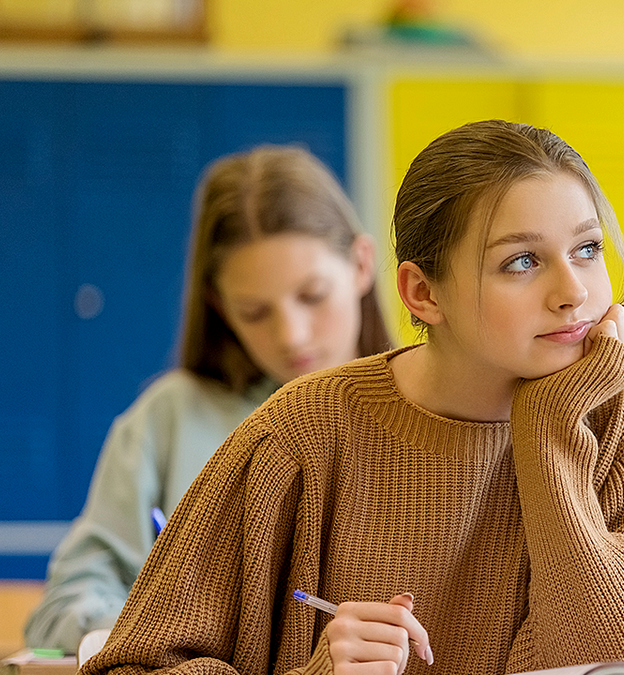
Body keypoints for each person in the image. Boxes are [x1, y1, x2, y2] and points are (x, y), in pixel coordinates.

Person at [76, 120, 624, 675]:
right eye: (521, 262)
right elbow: (133, 665)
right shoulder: (303, 429)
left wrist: (554, 432)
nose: (573, 292)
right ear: (423, 293)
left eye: (587, 250)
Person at [25, 145, 393, 651]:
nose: (291, 336)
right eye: (254, 311)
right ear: (220, 306)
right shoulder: (170, 418)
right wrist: (160, 634)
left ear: (360, 264)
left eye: (312, 296)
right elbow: (63, 608)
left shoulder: (436, 409)